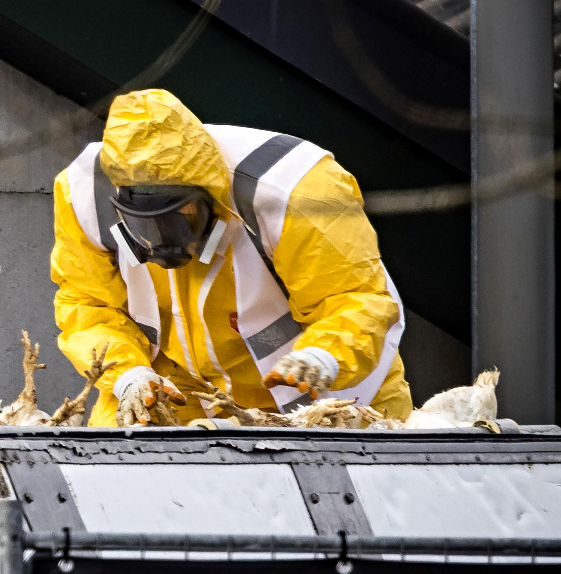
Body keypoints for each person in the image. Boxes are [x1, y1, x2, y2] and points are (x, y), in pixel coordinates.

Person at [50, 89, 411, 427]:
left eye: (183, 217)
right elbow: (86, 305)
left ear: (212, 198)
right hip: (175, 384)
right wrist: (127, 374)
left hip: (311, 382)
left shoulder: (295, 191)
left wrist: (324, 356)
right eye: (146, 225)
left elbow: (352, 297)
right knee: (121, 461)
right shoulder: (84, 196)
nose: (165, 242)